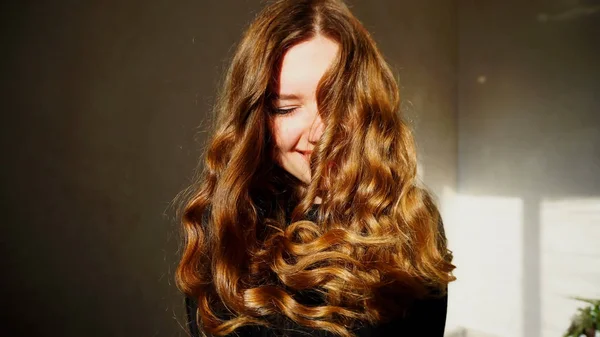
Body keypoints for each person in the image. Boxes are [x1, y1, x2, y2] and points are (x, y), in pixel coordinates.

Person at [176, 0, 456, 336]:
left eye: (337, 103)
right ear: (257, 120)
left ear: (368, 105)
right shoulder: (224, 224)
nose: (320, 133)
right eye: (286, 109)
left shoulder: (413, 220)